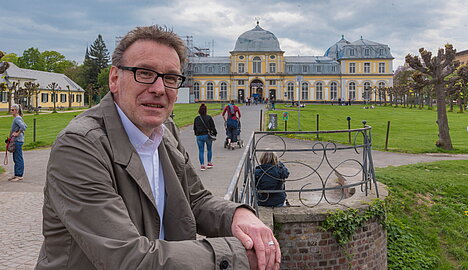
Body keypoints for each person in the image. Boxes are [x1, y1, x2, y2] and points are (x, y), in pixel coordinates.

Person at [36, 25, 280, 270]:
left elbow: (194, 200)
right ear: (114, 79)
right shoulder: (79, 146)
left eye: (171, 78)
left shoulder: (165, 132)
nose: (159, 89)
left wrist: (237, 215)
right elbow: (127, 257)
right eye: (144, 73)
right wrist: (236, 255)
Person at [193, 103, 217, 171]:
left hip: (199, 136)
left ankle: (202, 165)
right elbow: (213, 127)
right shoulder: (209, 117)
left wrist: (196, 134)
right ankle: (209, 163)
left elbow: (195, 128)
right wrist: (215, 133)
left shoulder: (196, 119)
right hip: (207, 135)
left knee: (201, 150)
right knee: (209, 149)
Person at [8, 104, 27, 182]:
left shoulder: (17, 119)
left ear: (16, 110)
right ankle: (16, 174)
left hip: (18, 141)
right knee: (16, 158)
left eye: (12, 110)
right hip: (16, 141)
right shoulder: (18, 118)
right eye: (11, 109)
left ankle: (19, 175)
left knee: (18, 158)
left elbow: (24, 127)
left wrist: (17, 133)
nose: (11, 111)